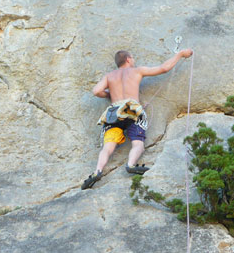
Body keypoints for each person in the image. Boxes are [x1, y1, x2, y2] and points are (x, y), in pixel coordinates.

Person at [82, 48, 194, 189]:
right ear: (128, 59)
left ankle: (97, 171)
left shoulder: (109, 76)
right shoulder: (137, 71)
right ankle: (131, 164)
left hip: (114, 112)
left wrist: (109, 95)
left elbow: (96, 91)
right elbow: (164, 68)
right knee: (137, 142)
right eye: (133, 58)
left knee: (108, 146)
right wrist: (180, 54)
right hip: (132, 109)